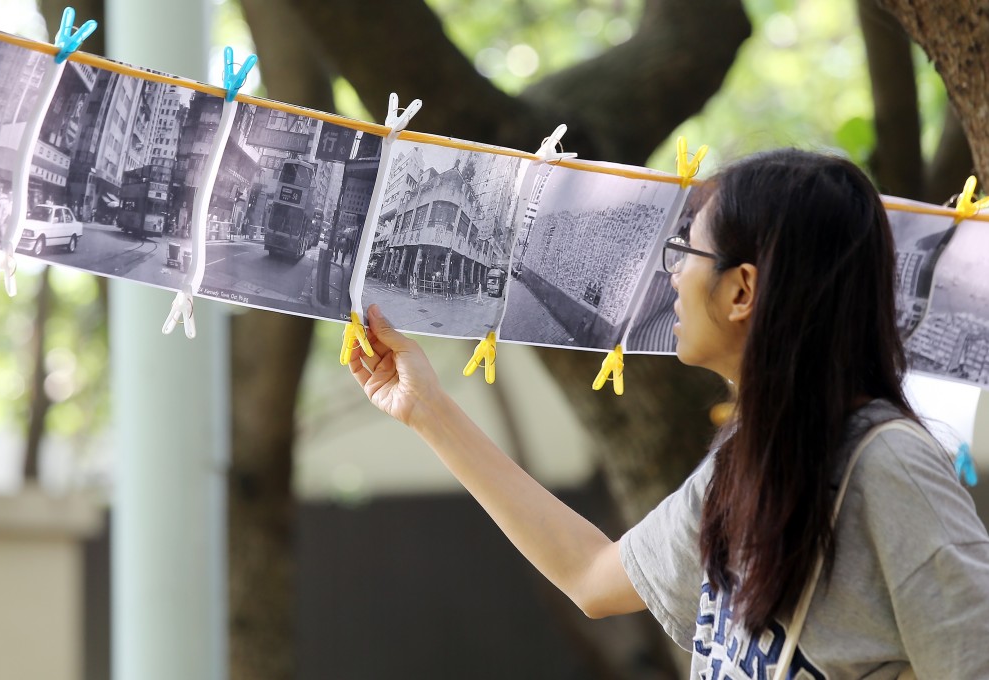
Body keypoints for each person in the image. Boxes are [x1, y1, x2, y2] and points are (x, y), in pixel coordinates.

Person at [346, 149, 989, 678]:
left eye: (687, 250)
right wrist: (426, 410)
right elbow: (592, 576)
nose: (673, 273)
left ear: (742, 291)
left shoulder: (893, 469)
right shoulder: (744, 463)